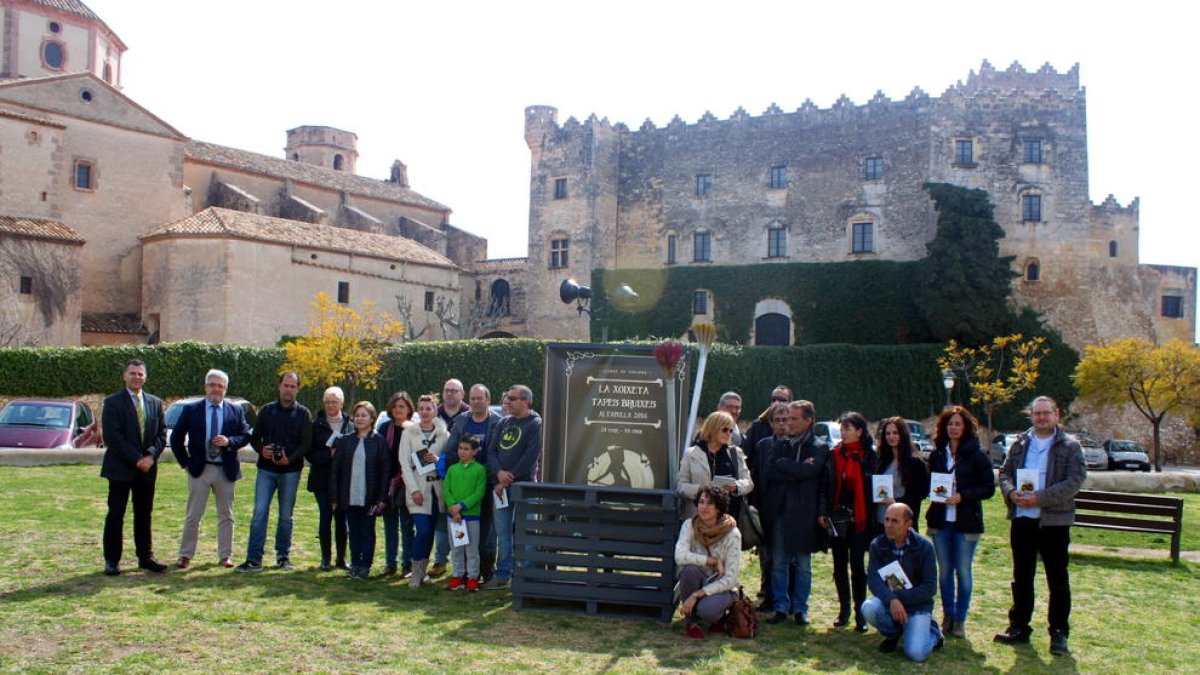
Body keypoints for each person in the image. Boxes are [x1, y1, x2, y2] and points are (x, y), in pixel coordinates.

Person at [994, 396, 1087, 656]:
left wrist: (1040, 498)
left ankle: (1058, 633)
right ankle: (1019, 626)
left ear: (1056, 414)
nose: (1042, 418)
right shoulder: (1020, 443)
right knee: (1021, 576)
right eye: (1037, 414)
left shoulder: (1070, 446)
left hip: (1054, 521)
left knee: (1057, 579)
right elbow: (1004, 473)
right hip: (1023, 519)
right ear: (1031, 415)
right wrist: (1011, 493)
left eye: (1046, 413)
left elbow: (1075, 481)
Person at [925, 405, 995, 638]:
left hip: (966, 521)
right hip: (941, 522)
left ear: (965, 427)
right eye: (949, 424)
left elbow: (988, 487)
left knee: (963, 572)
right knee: (944, 572)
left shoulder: (976, 455)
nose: (953, 428)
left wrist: (963, 495)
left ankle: (960, 619)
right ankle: (948, 615)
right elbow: (929, 484)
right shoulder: (936, 454)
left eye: (958, 423)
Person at [171, 369, 251, 570]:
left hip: (226, 469)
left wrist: (229, 441)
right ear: (206, 387)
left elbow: (245, 435)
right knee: (193, 514)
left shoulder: (235, 410)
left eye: (220, 386)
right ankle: (185, 555)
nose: (216, 389)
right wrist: (186, 463)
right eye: (212, 385)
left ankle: (225, 555)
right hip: (200, 468)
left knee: (227, 515)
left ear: (225, 389)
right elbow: (176, 438)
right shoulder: (192, 410)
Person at [237, 372, 313, 573]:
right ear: (279, 386)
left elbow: (306, 444)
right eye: (286, 385)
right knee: (259, 513)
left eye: (293, 386)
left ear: (297, 389)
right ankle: (254, 559)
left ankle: (283, 556)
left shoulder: (304, 414)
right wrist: (262, 449)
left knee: (286, 516)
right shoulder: (267, 411)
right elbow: (254, 438)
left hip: (290, 472)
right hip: (266, 470)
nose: (289, 389)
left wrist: (291, 457)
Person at [764, 400, 830, 626]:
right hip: (781, 512)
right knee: (778, 562)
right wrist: (798, 469)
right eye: (787, 418)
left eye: (793, 418)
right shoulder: (780, 445)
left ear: (808, 420)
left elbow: (812, 471)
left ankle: (800, 609)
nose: (788, 423)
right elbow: (772, 470)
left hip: (804, 515)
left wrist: (790, 466)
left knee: (803, 565)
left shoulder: (820, 446)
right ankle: (781, 607)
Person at [100, 359, 168, 575]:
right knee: (116, 514)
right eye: (132, 373)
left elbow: (162, 434)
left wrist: (150, 456)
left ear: (145, 377)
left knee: (144, 513)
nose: (136, 377)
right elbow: (113, 436)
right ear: (124, 376)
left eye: (140, 374)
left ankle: (145, 557)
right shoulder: (112, 402)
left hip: (147, 469)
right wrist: (136, 458)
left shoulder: (155, 403)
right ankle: (112, 560)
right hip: (121, 468)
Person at [862, 503, 943, 661]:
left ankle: (933, 633)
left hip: (917, 607)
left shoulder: (924, 547)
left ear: (908, 524)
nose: (888, 525)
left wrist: (899, 598)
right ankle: (893, 634)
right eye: (887, 520)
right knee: (869, 607)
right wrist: (892, 600)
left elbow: (930, 587)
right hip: (890, 603)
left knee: (916, 654)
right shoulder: (877, 545)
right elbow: (873, 579)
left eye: (894, 521)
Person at [483, 384, 542, 590]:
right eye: (507, 397)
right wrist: (499, 473)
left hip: (525, 488)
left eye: (512, 398)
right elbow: (491, 452)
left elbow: (531, 456)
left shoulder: (536, 424)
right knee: (502, 534)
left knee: (526, 533)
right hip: (501, 489)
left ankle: (526, 577)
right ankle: (502, 574)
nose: (507, 401)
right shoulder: (502, 423)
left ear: (525, 401)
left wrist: (508, 477)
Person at [825, 411, 878, 632]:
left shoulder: (870, 457)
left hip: (860, 519)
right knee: (839, 565)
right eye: (842, 428)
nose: (843, 433)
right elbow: (827, 485)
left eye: (847, 428)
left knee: (857, 565)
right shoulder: (835, 454)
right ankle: (844, 609)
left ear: (859, 431)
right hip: (838, 518)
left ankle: (860, 612)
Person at [444, 384, 503, 580]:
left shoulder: (498, 422)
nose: (476, 402)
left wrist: (482, 472)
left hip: (488, 483)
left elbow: (499, 453)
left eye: (480, 398)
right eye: (473, 398)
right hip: (464, 486)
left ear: (488, 399)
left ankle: (485, 570)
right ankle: (463, 571)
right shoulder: (461, 421)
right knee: (462, 529)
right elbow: (450, 449)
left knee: (487, 530)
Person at [329, 401, 391, 579]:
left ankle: (365, 565)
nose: (360, 418)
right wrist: (335, 496)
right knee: (353, 531)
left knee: (367, 531)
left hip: (370, 497)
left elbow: (385, 471)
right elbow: (336, 469)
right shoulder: (346, 440)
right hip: (349, 495)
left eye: (364, 415)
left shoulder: (379, 441)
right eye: (357, 415)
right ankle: (355, 564)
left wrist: (382, 497)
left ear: (372, 418)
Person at [675, 484, 743, 639]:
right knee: (688, 571)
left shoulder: (732, 534)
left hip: (722, 586)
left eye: (710, 503)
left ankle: (719, 616)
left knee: (706, 610)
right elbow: (679, 555)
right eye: (701, 502)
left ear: (719, 508)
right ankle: (690, 622)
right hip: (698, 578)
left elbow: (730, 578)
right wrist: (711, 561)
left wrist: (697, 595)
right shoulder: (689, 525)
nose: (704, 507)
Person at [398, 393, 450, 588]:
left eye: (429, 408)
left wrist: (439, 461)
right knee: (423, 529)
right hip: (418, 489)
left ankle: (422, 574)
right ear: (417, 411)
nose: (425, 411)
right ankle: (415, 572)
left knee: (430, 533)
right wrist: (413, 490)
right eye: (422, 408)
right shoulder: (409, 433)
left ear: (435, 411)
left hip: (437, 491)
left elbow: (449, 458)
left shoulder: (444, 434)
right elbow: (404, 462)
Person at [749, 401, 790, 610]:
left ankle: (786, 599)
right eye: (778, 420)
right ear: (771, 423)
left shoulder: (795, 445)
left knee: (786, 559)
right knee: (767, 557)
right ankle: (768, 595)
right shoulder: (763, 445)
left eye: (785, 420)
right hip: (766, 508)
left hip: (788, 509)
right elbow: (756, 475)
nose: (782, 424)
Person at [677, 411, 753, 521]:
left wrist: (736, 486)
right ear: (713, 428)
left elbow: (748, 482)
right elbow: (680, 486)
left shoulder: (735, 453)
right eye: (725, 429)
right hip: (698, 518)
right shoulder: (692, 454)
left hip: (727, 518)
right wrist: (701, 489)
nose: (728, 434)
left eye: (731, 430)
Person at [309, 386, 353, 570]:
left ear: (341, 403)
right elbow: (309, 453)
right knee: (325, 518)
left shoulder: (351, 425)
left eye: (334, 402)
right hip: (322, 479)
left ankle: (341, 559)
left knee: (342, 521)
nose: (330, 405)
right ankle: (325, 559)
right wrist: (329, 456)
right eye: (327, 402)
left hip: (344, 481)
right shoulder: (316, 424)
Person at [377, 391, 416, 578]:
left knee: (408, 526)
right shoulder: (385, 428)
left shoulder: (415, 429)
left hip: (408, 483)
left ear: (409, 409)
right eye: (395, 406)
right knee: (390, 525)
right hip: (388, 482)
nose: (398, 409)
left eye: (402, 406)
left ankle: (407, 565)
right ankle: (390, 564)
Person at [443, 434, 487, 592]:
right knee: (456, 547)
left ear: (474, 451)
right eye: (460, 448)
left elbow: (479, 492)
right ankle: (457, 576)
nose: (462, 452)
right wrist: (453, 507)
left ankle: (473, 577)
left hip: (471, 516)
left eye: (467, 449)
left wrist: (462, 505)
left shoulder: (480, 470)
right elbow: (446, 490)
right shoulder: (452, 469)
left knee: (471, 548)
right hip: (454, 518)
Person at [875, 416, 929, 527]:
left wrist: (895, 501)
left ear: (903, 434)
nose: (891, 436)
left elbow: (921, 493)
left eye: (895, 433)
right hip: (881, 521)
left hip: (903, 524)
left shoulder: (915, 463)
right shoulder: (881, 461)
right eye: (888, 433)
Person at [740, 385, 792, 461]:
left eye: (781, 400)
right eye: (774, 399)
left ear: (790, 402)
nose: (776, 402)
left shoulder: (795, 425)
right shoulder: (758, 426)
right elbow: (747, 455)